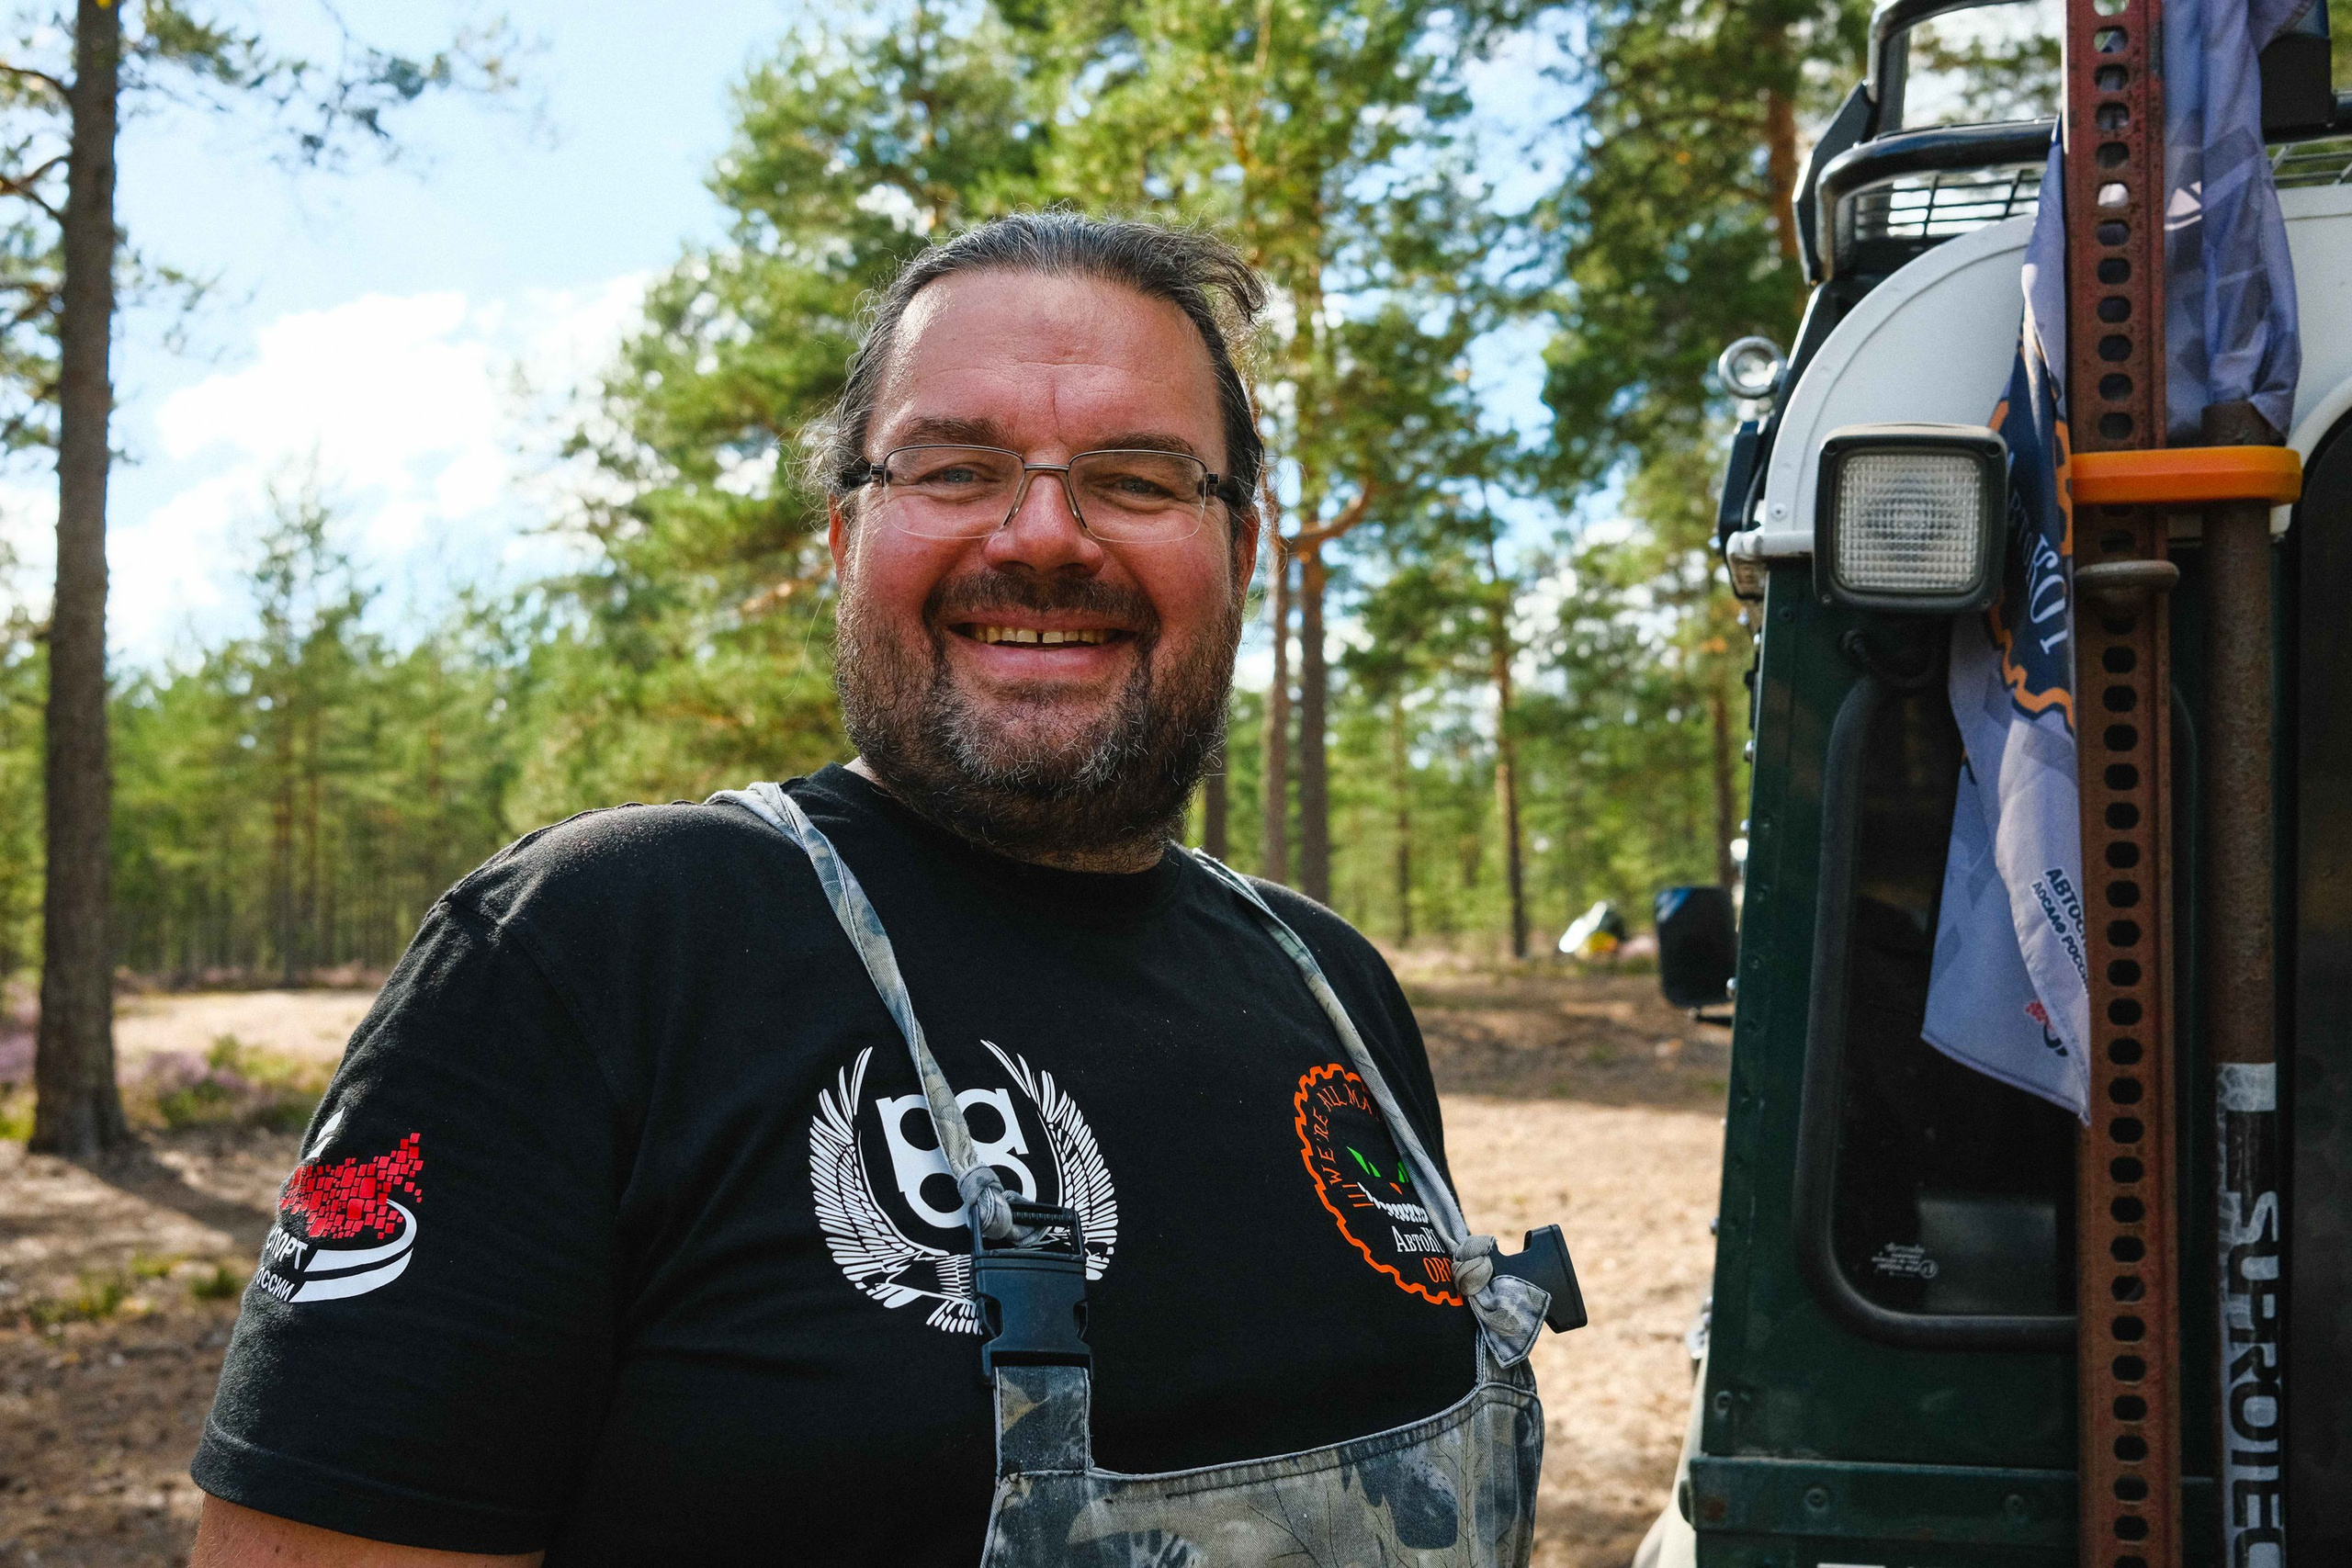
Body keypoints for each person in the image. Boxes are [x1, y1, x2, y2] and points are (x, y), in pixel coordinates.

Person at [189, 212, 1567, 1568]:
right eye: (956, 470)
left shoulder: (1334, 988)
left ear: (1243, 555)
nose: (1043, 538)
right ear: (845, 539)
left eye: (1139, 480)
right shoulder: (600, 952)